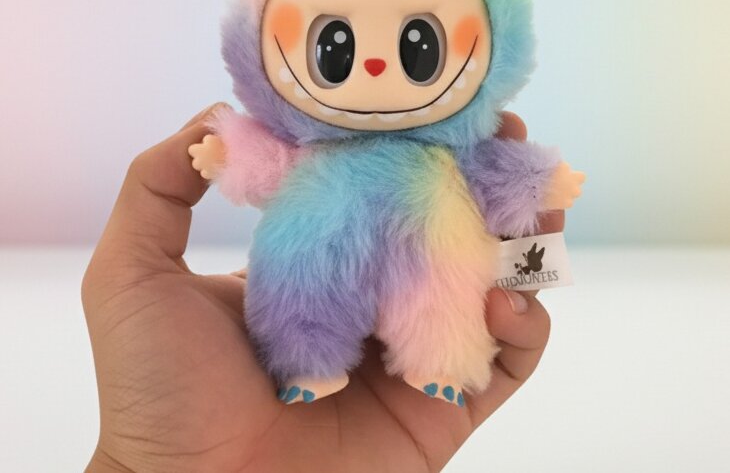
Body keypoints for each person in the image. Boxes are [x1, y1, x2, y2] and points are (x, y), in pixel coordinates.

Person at [82, 105, 560, 473]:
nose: (375, 67)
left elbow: (499, 176)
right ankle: (306, 367)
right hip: (317, 244)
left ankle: (440, 366)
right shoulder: (310, 147)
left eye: (417, 48)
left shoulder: (453, 155)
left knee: (442, 300)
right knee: (300, 293)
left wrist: (538, 181)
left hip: (428, 243)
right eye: (336, 49)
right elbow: (268, 160)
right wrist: (228, 153)